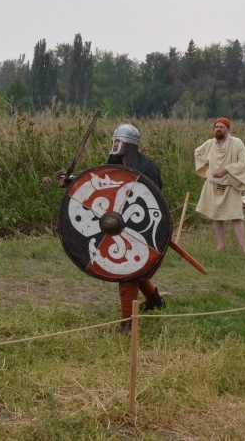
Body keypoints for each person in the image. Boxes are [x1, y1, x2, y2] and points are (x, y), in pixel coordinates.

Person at [105, 123, 166, 334]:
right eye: (114, 141)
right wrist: (72, 183)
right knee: (134, 270)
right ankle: (155, 302)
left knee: (127, 271)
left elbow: (155, 202)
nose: (114, 145)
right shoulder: (114, 166)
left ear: (129, 145)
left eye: (118, 142)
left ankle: (128, 325)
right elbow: (98, 188)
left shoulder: (148, 167)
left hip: (144, 228)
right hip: (118, 227)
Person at [195, 117, 245, 256]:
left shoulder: (236, 143)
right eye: (216, 127)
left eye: (222, 127)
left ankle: (243, 249)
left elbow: (243, 163)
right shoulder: (210, 144)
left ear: (228, 129)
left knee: (236, 217)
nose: (218, 129)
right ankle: (220, 246)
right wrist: (208, 166)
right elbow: (197, 152)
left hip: (230, 185)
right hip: (213, 186)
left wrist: (225, 170)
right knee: (216, 217)